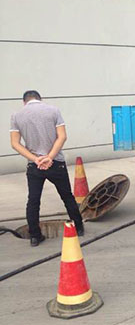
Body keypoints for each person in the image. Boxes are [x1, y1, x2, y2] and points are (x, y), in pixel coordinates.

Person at [10, 90, 84, 246]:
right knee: (67, 196)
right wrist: (49, 157)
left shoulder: (16, 116)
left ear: (24, 102)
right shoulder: (53, 110)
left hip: (35, 165)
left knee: (33, 200)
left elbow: (15, 143)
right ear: (40, 99)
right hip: (56, 162)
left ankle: (35, 236)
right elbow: (62, 136)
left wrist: (36, 159)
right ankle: (78, 228)